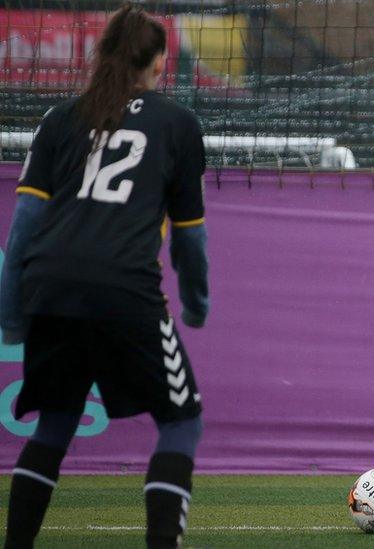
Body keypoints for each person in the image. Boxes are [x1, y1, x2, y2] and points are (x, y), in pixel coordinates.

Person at [0, 3, 209, 548]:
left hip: (53, 288)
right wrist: (196, 303)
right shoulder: (179, 124)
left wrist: (12, 312)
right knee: (182, 419)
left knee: (55, 422)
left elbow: (23, 229)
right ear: (160, 60)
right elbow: (190, 235)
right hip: (126, 291)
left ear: (104, 53)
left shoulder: (60, 119)